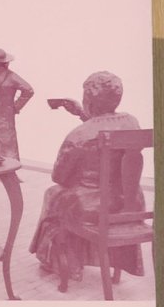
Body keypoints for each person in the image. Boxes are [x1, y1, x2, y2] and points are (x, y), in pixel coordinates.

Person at [29, 71, 146, 292]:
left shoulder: (79, 135)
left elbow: (59, 176)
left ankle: (61, 263)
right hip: (131, 204)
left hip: (95, 208)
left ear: (89, 100)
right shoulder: (132, 122)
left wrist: (86, 121)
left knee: (54, 194)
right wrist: (84, 115)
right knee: (70, 198)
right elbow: (106, 129)